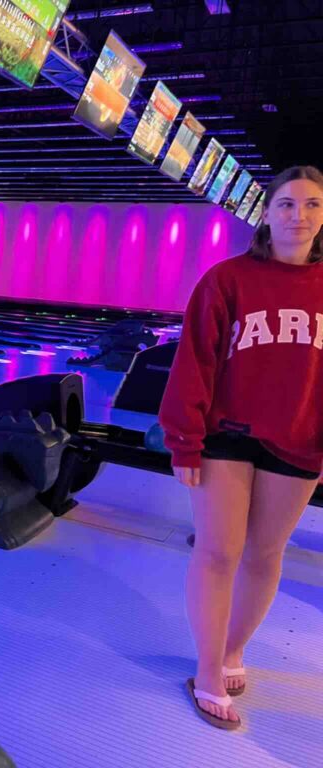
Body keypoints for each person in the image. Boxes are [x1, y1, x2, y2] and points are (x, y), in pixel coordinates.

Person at [159, 165, 323, 730]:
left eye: (312, 204)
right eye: (287, 204)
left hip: (300, 438)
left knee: (264, 554)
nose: (299, 216)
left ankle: (233, 648)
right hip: (226, 435)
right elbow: (195, 362)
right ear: (267, 213)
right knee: (218, 551)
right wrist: (184, 441)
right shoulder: (227, 279)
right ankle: (207, 669)